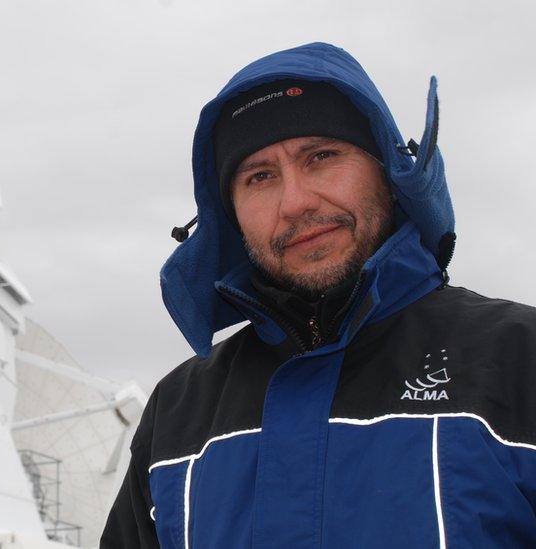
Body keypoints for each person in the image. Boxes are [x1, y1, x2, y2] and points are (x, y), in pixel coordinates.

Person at [101, 42, 536, 548]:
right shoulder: (179, 411)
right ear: (229, 218)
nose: (295, 202)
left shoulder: (518, 360)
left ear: (388, 172)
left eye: (322, 156)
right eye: (259, 176)